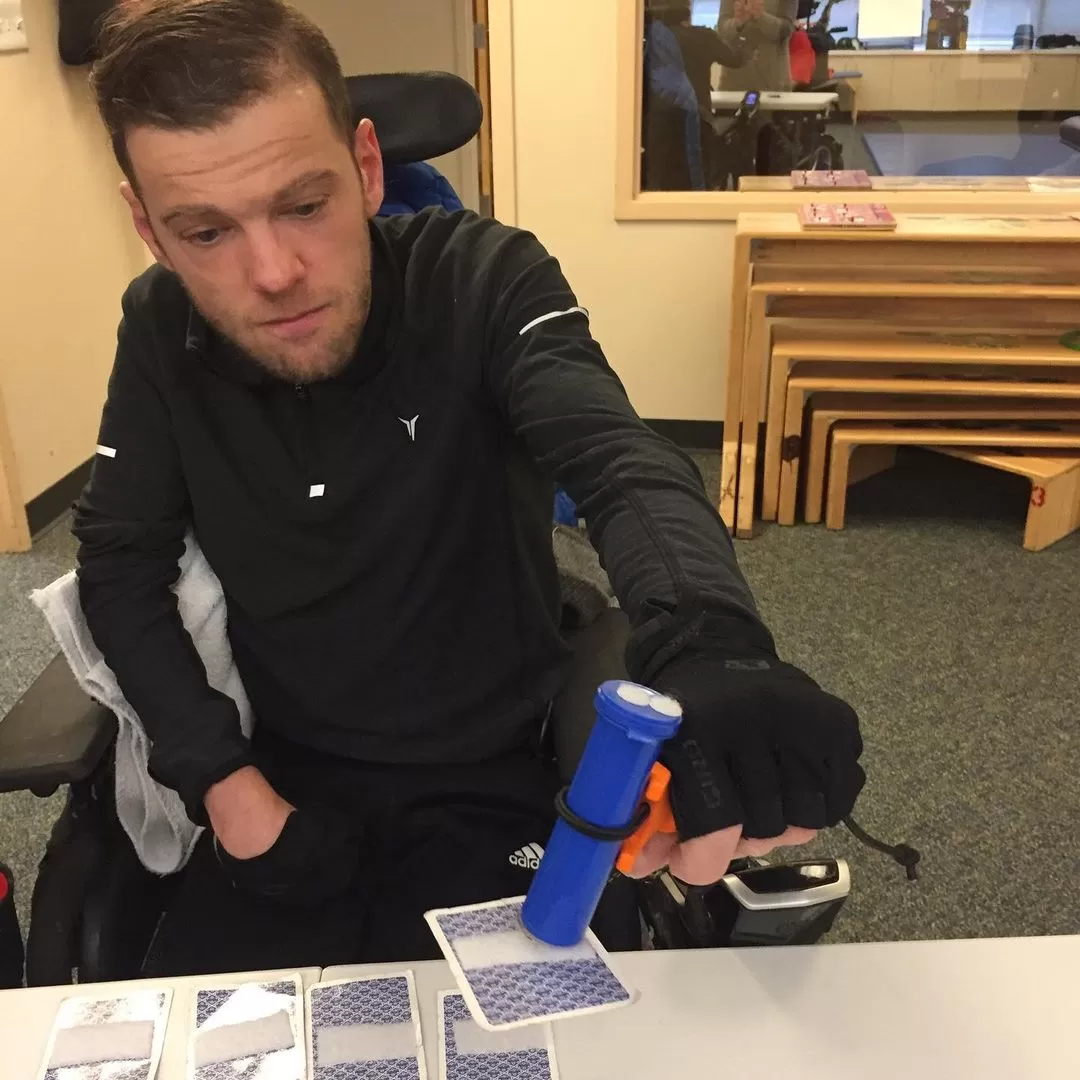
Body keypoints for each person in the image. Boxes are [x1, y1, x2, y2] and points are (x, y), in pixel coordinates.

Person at [77, 0, 865, 976]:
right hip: (279, 783)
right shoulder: (161, 327)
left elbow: (617, 459)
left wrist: (711, 641)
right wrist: (225, 785)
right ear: (149, 228)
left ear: (367, 167)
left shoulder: (482, 277)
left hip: (498, 766)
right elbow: (120, 563)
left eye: (305, 205)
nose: (273, 272)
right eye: (205, 232)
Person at [717, 0, 798, 93]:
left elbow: (786, 30)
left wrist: (761, 17)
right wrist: (737, 23)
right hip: (732, 84)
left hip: (773, 86)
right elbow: (721, 31)